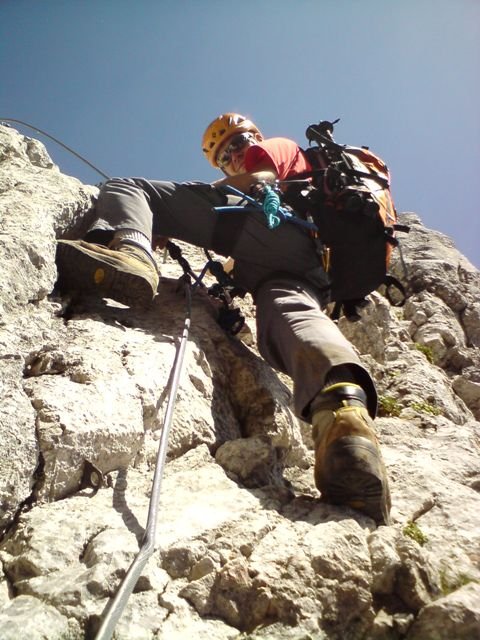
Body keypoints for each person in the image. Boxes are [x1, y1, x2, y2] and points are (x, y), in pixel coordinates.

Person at [56, 113, 391, 525]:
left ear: (255, 137)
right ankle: (344, 421)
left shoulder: (275, 149)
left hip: (273, 226)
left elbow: (258, 179)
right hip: (304, 266)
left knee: (130, 187)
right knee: (292, 319)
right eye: (224, 155)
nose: (234, 155)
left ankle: (132, 252)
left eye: (237, 143)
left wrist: (171, 216)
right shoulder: (307, 179)